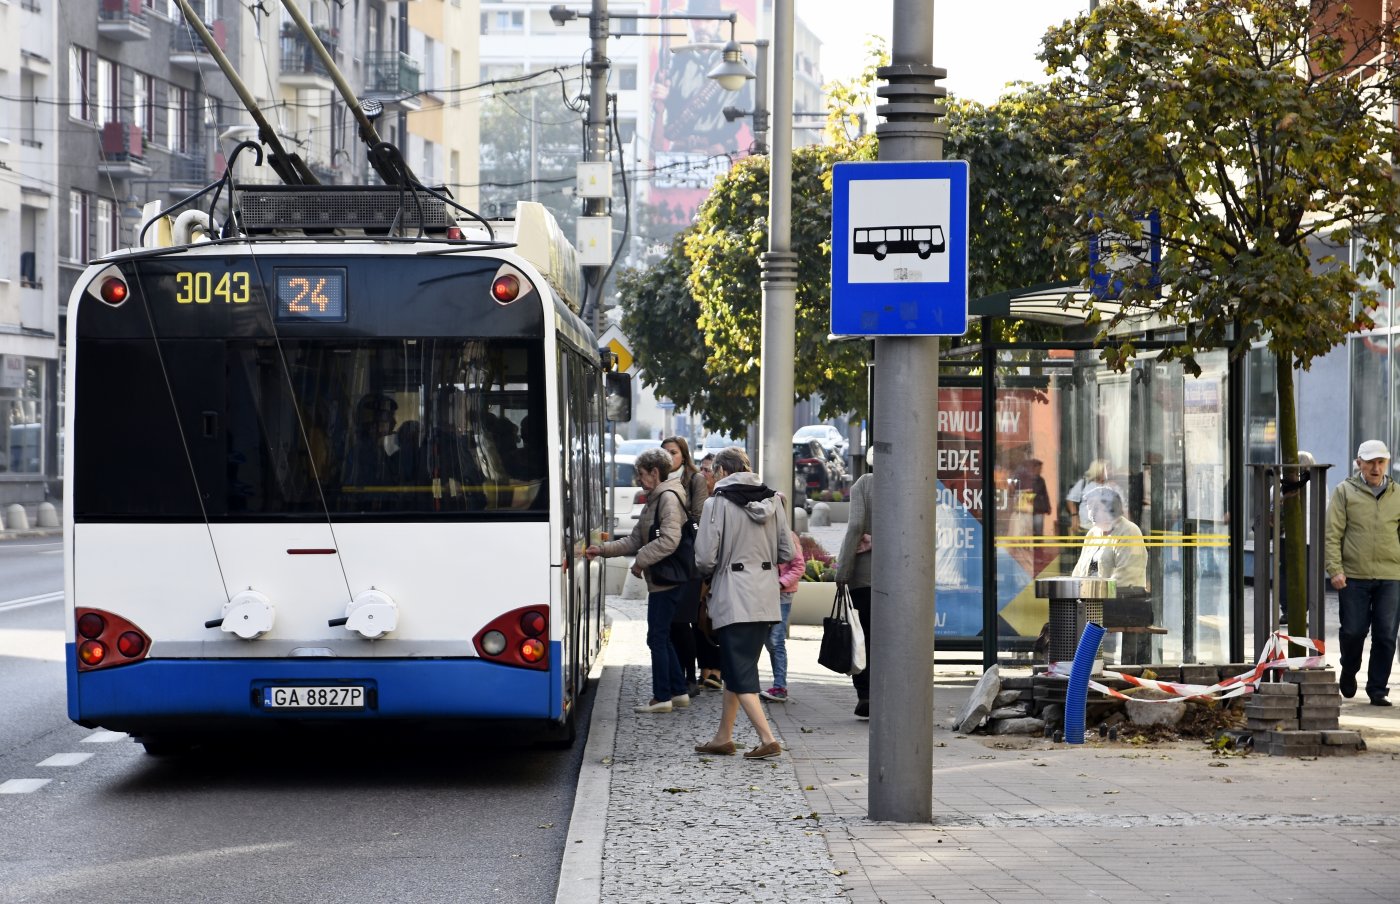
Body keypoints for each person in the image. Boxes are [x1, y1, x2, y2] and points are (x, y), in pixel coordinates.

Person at [693, 447, 794, 759]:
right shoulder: (774, 500)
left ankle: (767, 739)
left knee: (739, 673)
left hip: (733, 594)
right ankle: (723, 737)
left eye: (712, 472)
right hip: (764, 595)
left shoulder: (717, 504)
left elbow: (705, 558)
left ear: (723, 471)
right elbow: (787, 553)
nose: (709, 478)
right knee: (739, 666)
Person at [585, 447, 691, 713]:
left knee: (656, 637)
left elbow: (669, 539)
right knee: (662, 636)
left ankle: (662, 697)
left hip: (666, 579)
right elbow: (635, 538)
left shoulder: (666, 498)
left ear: (655, 472)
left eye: (642, 475)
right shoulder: (657, 497)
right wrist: (603, 550)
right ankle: (678, 691)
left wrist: (641, 560)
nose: (639, 481)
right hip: (663, 577)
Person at [1325, 439, 1400, 706]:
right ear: (1359, 463)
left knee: (1386, 635)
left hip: (1391, 575)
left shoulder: (1397, 494)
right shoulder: (1344, 492)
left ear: (1386, 464)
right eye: (1370, 462)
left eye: (1380, 462)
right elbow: (1332, 533)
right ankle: (1349, 667)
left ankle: (1378, 688)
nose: (1376, 468)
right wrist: (1335, 569)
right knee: (1353, 631)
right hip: (1353, 575)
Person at [1070, 484, 1151, 663]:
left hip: (1120, 602)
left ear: (1110, 508)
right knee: (1062, 617)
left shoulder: (1129, 531)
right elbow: (1080, 569)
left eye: (1094, 507)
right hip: (1092, 600)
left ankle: (1085, 668)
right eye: (1088, 507)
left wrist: (1092, 595)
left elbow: (1127, 576)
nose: (1089, 513)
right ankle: (1071, 668)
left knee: (1076, 618)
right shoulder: (1093, 534)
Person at [663, 435, 709, 697]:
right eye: (665, 452)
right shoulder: (658, 480)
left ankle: (690, 676)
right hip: (665, 560)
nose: (670, 457)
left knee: (683, 621)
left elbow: (698, 517)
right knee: (669, 623)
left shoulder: (694, 479)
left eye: (674, 452)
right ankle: (676, 675)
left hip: (688, 559)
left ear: (684, 455)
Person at [836, 449, 875, 720]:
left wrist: (843, 570)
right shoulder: (910, 481)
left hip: (865, 577)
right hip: (901, 578)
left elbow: (855, 526)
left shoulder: (865, 484)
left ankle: (866, 694)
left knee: (864, 637)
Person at [763, 505, 805, 703]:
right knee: (767, 640)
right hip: (765, 595)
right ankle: (774, 684)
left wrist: (780, 583)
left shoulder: (788, 536)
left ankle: (780, 686)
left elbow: (799, 566)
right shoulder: (763, 534)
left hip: (782, 595)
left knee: (776, 640)